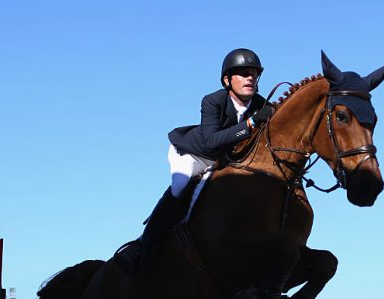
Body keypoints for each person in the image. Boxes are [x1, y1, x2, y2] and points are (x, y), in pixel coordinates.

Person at [118, 48, 275, 275]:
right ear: (227, 80)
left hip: (225, 160)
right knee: (181, 187)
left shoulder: (260, 105)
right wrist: (250, 125)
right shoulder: (213, 101)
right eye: (242, 73)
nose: (249, 77)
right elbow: (211, 141)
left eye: (252, 73)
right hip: (194, 153)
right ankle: (142, 246)